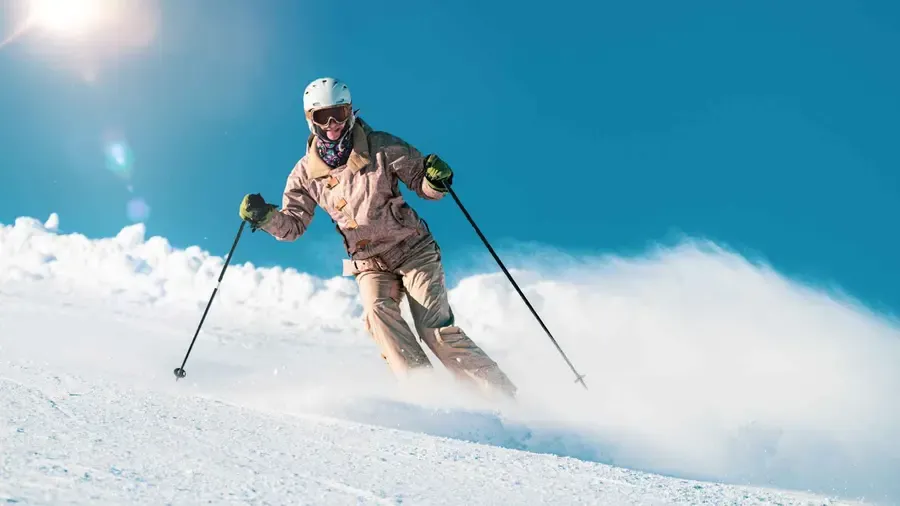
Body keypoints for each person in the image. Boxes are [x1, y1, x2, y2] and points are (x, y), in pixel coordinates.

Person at [238, 77, 517, 399]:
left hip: (413, 249)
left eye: (339, 114)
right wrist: (266, 217)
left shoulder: (382, 146)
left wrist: (436, 181)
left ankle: (500, 395)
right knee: (377, 314)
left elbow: (422, 184)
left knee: (433, 329)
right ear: (309, 119)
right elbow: (293, 227)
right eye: (322, 117)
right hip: (369, 261)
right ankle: (426, 392)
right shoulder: (304, 174)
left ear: (351, 112)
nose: (332, 125)